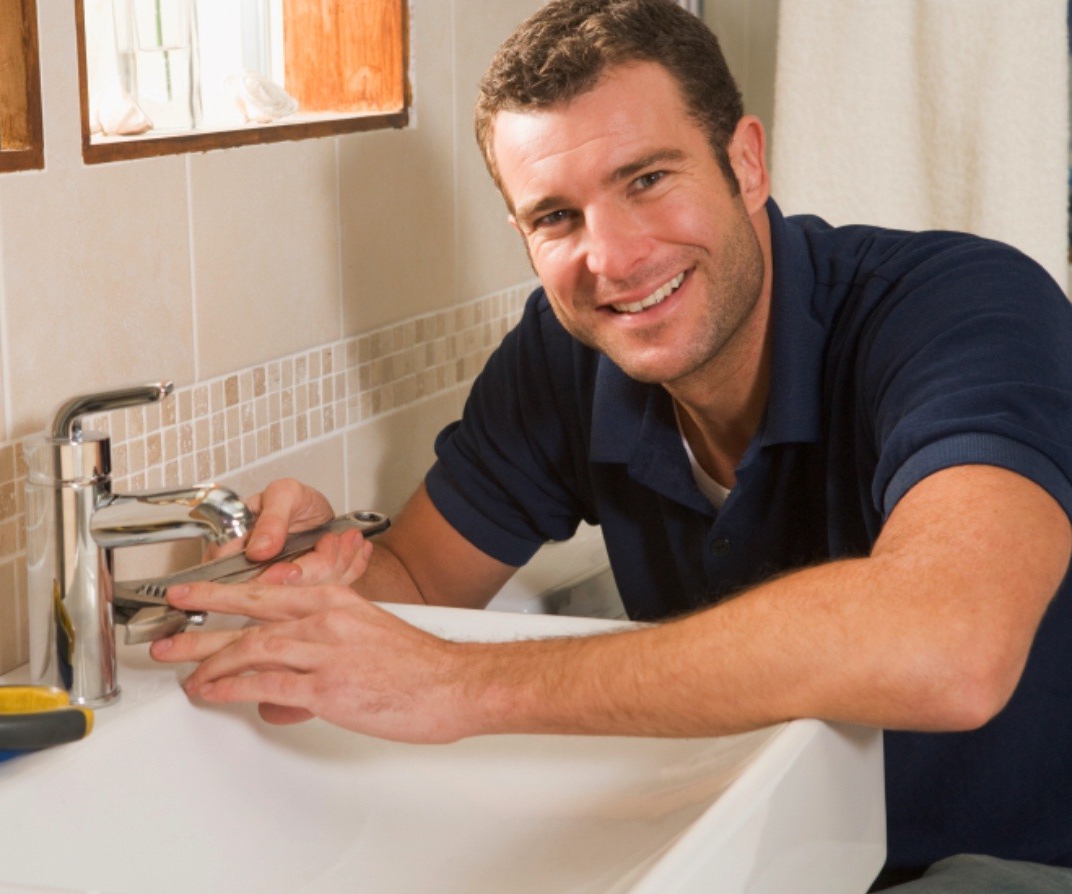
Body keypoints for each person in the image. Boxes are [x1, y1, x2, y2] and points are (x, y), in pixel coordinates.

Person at [150, 0, 1072, 889]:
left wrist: (466, 684)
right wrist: (320, 575)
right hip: (778, 848)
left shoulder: (962, 309)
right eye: (557, 217)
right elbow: (422, 586)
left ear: (747, 164)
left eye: (647, 179)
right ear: (522, 234)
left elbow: (953, 647)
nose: (615, 258)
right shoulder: (566, 357)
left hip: (1010, 864)